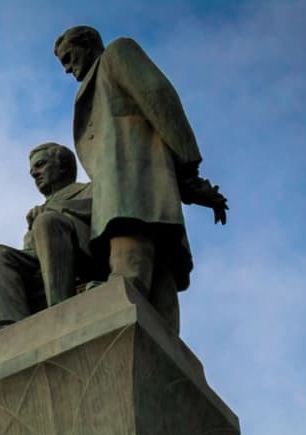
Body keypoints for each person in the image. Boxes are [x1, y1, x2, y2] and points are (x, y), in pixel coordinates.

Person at [54, 25, 227, 334]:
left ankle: (115, 309)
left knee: (131, 260)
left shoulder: (117, 54)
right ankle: (163, 347)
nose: (67, 68)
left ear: (87, 43)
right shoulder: (95, 81)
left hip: (133, 184)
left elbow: (160, 99)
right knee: (159, 287)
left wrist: (188, 170)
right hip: (134, 190)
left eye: (69, 57)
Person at [0, 142, 104, 336]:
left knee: (47, 221)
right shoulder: (41, 211)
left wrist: (55, 210)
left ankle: (60, 307)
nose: (35, 174)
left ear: (63, 165)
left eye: (41, 165)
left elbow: (103, 217)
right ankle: (9, 325)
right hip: (39, 267)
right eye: (32, 171)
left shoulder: (91, 190)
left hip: (83, 259)